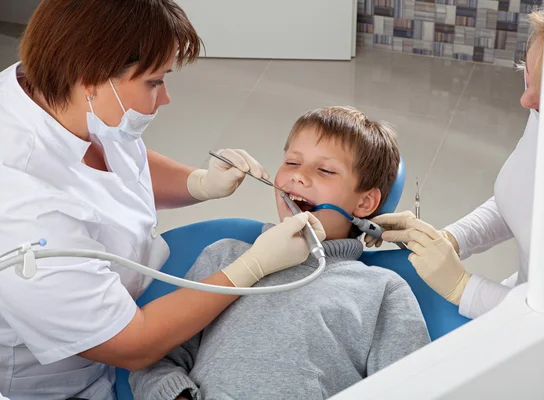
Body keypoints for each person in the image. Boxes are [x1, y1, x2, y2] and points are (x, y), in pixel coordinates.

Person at [0, 1, 325, 399]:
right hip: (63, 379)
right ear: (90, 79)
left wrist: (199, 183)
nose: (166, 96)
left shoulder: (51, 89)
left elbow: (111, 162)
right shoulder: (25, 206)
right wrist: (250, 269)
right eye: (154, 82)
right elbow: (132, 345)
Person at [365, 8, 544, 393]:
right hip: (517, 307)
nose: (526, 99)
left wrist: (462, 287)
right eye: (528, 72)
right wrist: (450, 239)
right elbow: (522, 200)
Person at [129, 107, 430, 400]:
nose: (299, 177)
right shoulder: (225, 257)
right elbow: (153, 358)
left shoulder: (381, 290)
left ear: (365, 203)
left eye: (324, 170)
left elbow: (409, 389)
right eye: (292, 163)